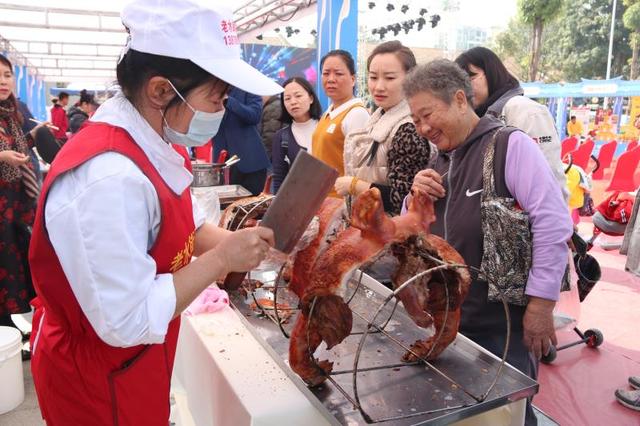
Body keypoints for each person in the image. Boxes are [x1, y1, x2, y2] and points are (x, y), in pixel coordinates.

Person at [27, 1, 281, 424]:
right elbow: (127, 320)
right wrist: (222, 260)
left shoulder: (152, 140)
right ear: (161, 90)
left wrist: (249, 249)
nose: (221, 109)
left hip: (136, 362)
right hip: (97, 377)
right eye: (216, 97)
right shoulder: (106, 177)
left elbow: (183, 224)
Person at [405, 60, 573, 425]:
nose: (423, 128)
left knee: (507, 412)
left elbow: (553, 223)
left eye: (428, 114)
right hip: (453, 320)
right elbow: (415, 228)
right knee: (463, 413)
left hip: (502, 326)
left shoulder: (509, 145)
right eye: (416, 121)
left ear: (460, 100)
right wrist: (414, 196)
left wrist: (542, 305)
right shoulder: (442, 158)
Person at [455, 47, 568, 201]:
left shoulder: (525, 110)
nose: (465, 88)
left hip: (530, 218)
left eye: (471, 77)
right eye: (459, 84)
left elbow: (550, 175)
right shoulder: (477, 117)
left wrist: (553, 222)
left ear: (492, 73)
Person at [335, 41, 435, 215]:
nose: (379, 87)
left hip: (394, 234)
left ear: (411, 79)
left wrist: (354, 186)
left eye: (389, 78)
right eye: (373, 77)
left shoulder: (408, 130)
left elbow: (404, 198)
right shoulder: (379, 117)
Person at [0, 54, 48, 359]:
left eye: (6, 75)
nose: (3, 81)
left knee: (15, 268)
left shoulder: (9, 115)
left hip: (15, 207)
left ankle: (12, 330)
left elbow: (15, 151)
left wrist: (33, 136)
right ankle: (7, 334)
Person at [312, 49, 370, 197]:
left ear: (353, 79)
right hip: (320, 199)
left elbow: (361, 170)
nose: (331, 79)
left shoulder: (356, 114)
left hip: (340, 203)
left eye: (338, 73)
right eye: (326, 73)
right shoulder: (328, 112)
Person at [213, 87, 269, 195]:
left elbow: (254, 115)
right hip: (222, 163)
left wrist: (228, 101)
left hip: (251, 162)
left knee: (253, 208)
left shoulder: (246, 86)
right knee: (226, 208)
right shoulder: (210, 90)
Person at [271, 77, 321, 193]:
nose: (293, 102)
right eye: (287, 98)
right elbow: (279, 180)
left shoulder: (326, 126)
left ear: (311, 98)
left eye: (298, 96)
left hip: (331, 200)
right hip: (299, 203)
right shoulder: (281, 137)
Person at [260, 94, 282, 161]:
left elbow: (270, 136)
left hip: (272, 155)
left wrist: (263, 157)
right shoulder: (276, 104)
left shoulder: (272, 107)